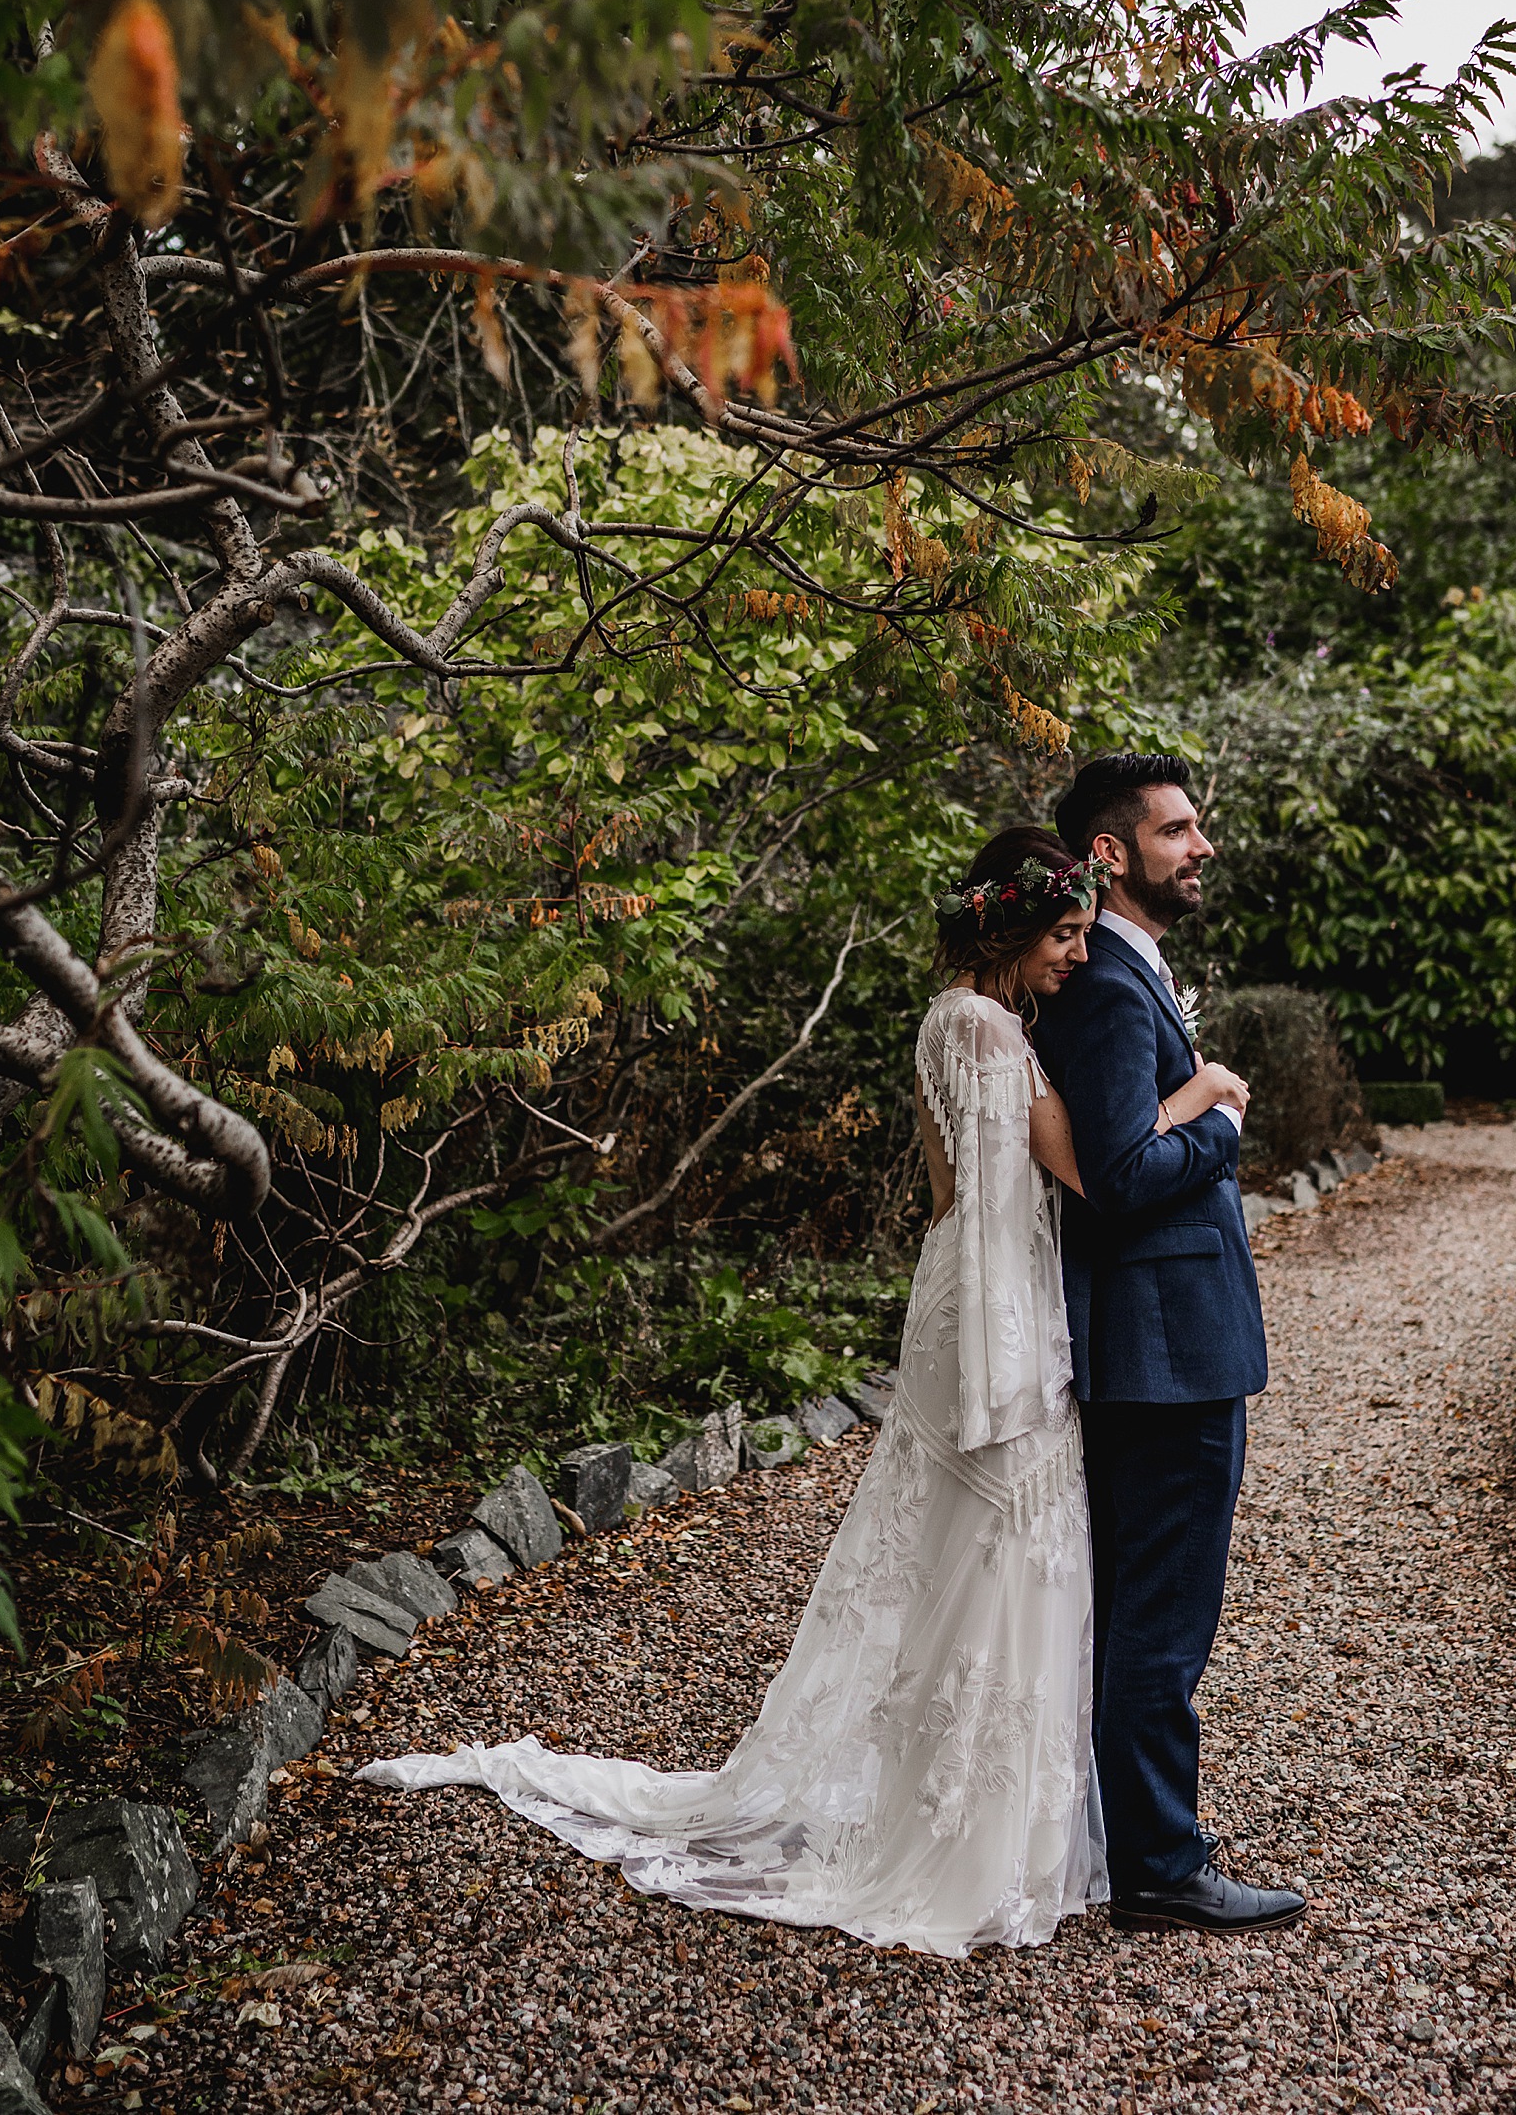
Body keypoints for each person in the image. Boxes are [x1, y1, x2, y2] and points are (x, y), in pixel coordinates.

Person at [356, 828, 1244, 1956]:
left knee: (961, 1550)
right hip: (997, 1310)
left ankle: (983, 1802)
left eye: (1080, 934)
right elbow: (1080, 1169)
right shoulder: (984, 1028)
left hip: (963, 1287)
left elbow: (946, 1194)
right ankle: (973, 1830)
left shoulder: (945, 1023)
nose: (1075, 956)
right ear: (1011, 934)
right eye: (1063, 936)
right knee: (1004, 1552)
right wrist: (1202, 1099)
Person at [1036, 750, 1305, 1934]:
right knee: (1158, 1614)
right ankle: (1157, 1865)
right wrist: (1224, 1122)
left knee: (1154, 1607)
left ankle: (1134, 1838)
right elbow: (1115, 1177)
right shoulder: (1100, 985)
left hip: (1169, 1340)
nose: (1201, 846)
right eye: (1178, 829)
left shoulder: (1129, 971)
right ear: (1111, 852)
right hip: (1156, 1352)